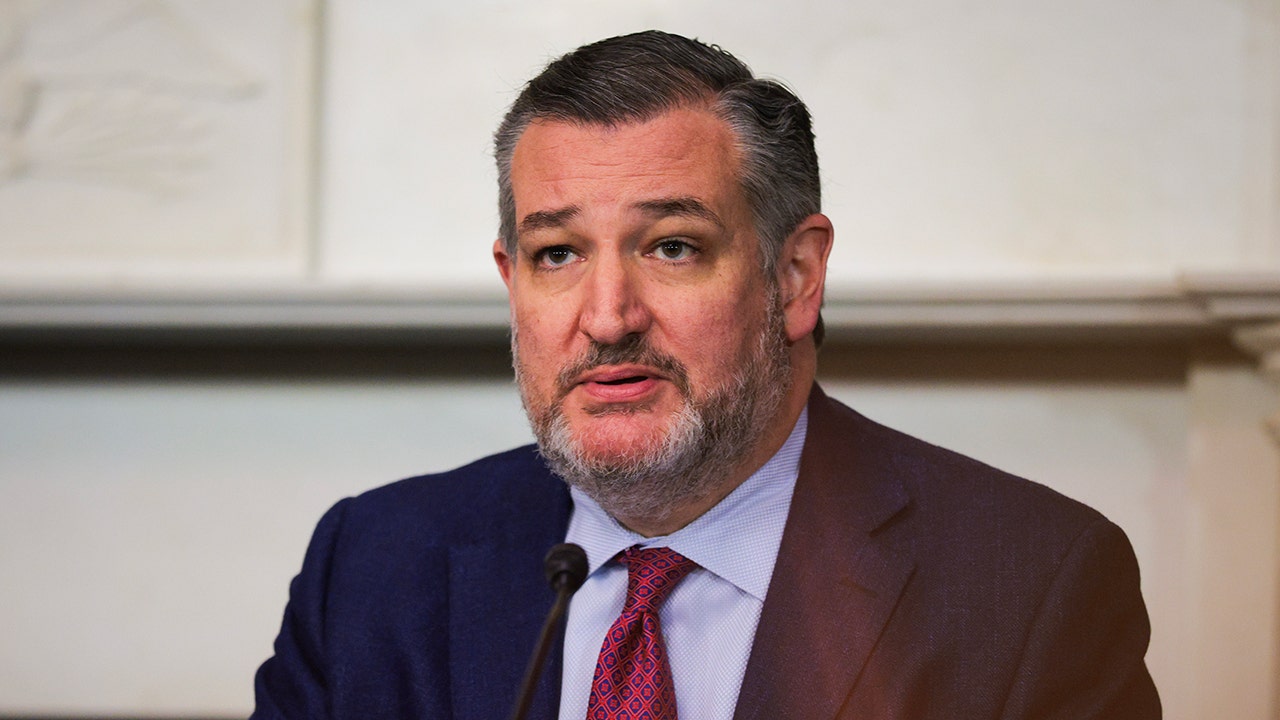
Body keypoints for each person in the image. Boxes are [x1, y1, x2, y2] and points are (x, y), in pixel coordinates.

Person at [251, 30, 1161, 720]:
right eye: (557, 253)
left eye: (672, 247)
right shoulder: (372, 565)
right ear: (511, 280)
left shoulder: (1029, 583)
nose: (608, 317)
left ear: (794, 276)